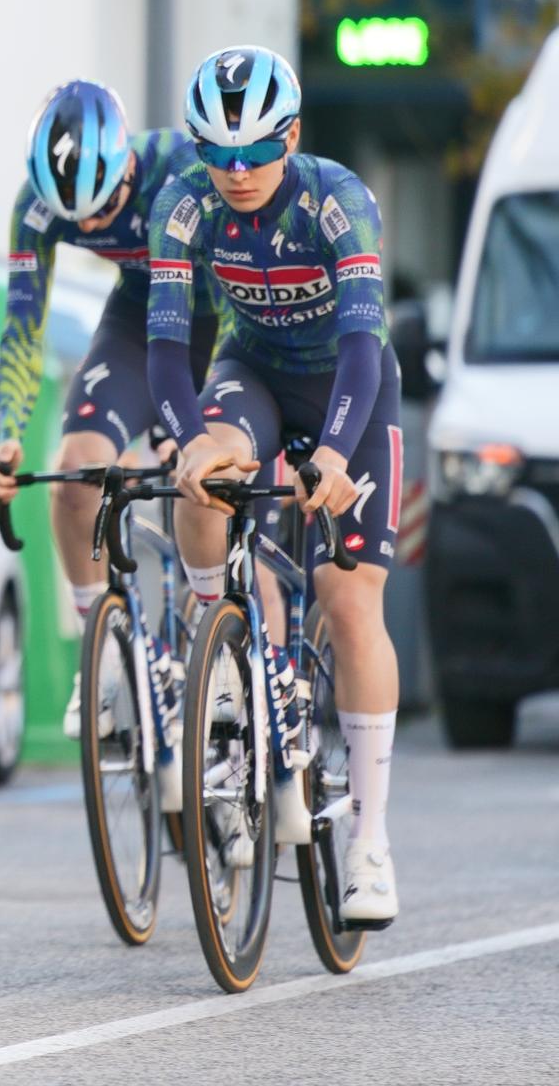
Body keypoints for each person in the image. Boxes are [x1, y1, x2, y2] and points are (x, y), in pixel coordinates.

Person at [146, 45, 400, 924]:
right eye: (217, 154)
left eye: (255, 151)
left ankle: (369, 842)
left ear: (291, 135)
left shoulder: (339, 200)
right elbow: (167, 350)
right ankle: (219, 641)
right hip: (249, 370)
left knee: (347, 595)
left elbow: (366, 350)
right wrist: (189, 445)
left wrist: (330, 455)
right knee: (201, 476)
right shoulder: (180, 205)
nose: (238, 171)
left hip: (348, 389)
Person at [0, 80, 221, 787]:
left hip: (225, 318)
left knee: (205, 485)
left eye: (110, 204)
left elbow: (242, 288)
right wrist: (7, 435)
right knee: (77, 474)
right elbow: (24, 327)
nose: (100, 220)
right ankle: (105, 654)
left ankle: (229, 659)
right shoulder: (36, 207)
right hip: (143, 319)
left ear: (127, 171)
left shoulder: (183, 169)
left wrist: (193, 428)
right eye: (83, 218)